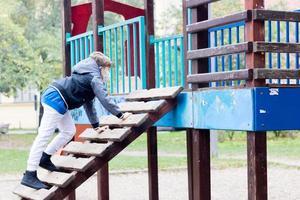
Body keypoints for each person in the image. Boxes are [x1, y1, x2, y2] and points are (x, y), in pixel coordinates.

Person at [21, 51, 131, 189]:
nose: (108, 73)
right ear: (100, 67)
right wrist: (120, 114)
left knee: (69, 131)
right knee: (43, 136)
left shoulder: (87, 76)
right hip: (55, 99)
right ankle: (29, 174)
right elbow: (104, 99)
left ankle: (45, 157)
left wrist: (96, 126)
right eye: (107, 69)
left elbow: (89, 104)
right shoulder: (94, 78)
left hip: (58, 99)